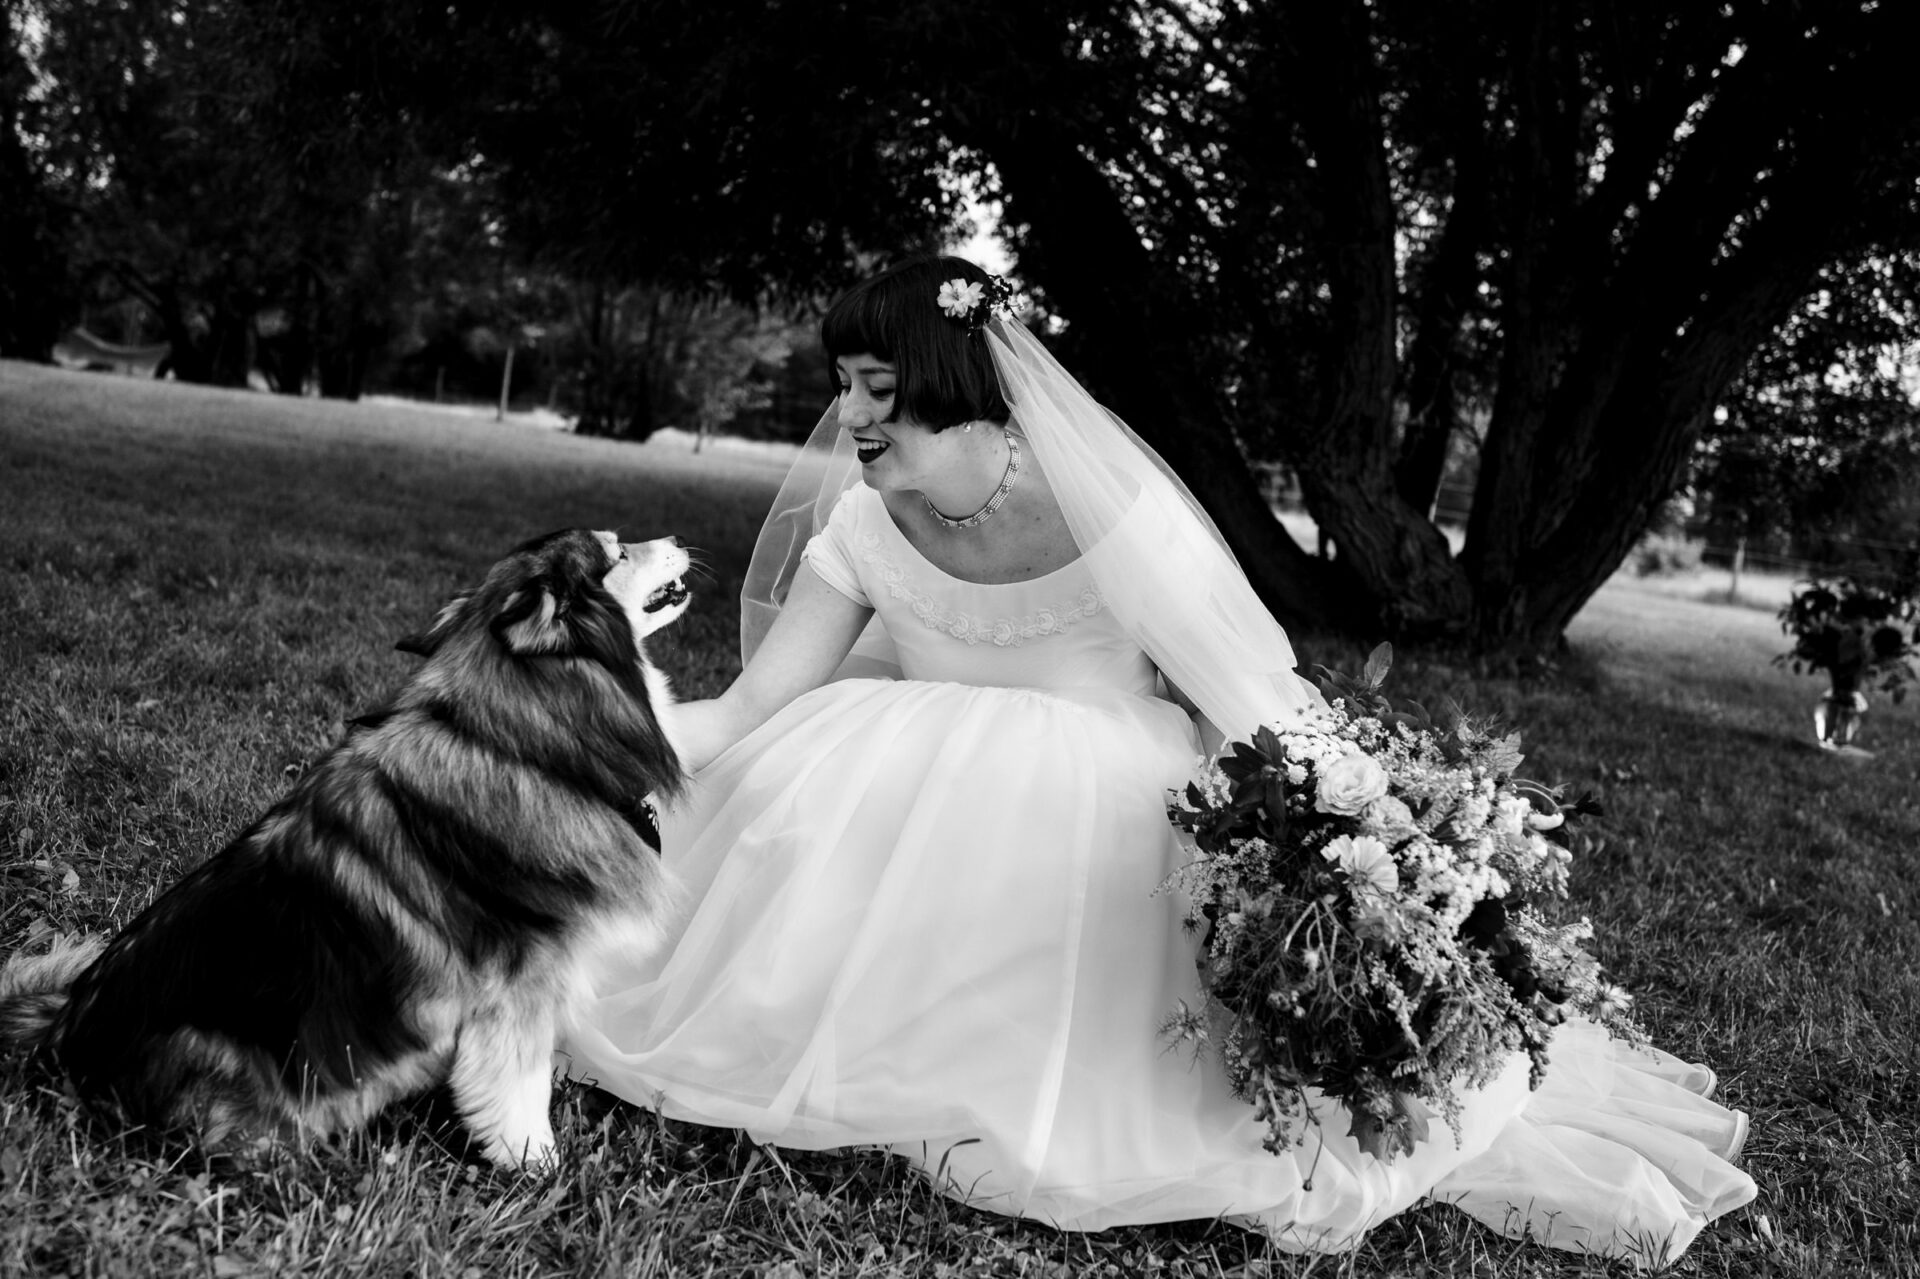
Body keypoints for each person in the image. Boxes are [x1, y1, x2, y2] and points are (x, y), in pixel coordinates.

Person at [563, 255, 1757, 1263]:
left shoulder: (1110, 515)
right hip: (892, 764)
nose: (851, 417)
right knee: (785, 807)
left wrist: (1375, 839)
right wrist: (594, 738)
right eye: (844, 386)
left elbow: (1252, 704)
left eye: (880, 389)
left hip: (1100, 791)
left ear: (959, 390)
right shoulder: (864, 525)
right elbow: (760, 702)